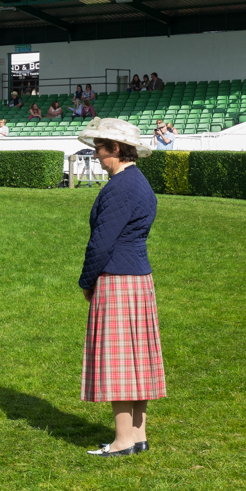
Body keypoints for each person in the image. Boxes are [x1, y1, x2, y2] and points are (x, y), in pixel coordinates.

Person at [77, 117, 165, 457]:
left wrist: (87, 282)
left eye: (99, 148)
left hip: (117, 279)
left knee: (120, 361)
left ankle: (123, 440)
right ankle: (137, 436)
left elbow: (101, 243)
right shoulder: (139, 182)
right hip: (138, 278)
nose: (96, 154)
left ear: (115, 148)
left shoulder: (120, 187)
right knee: (136, 358)